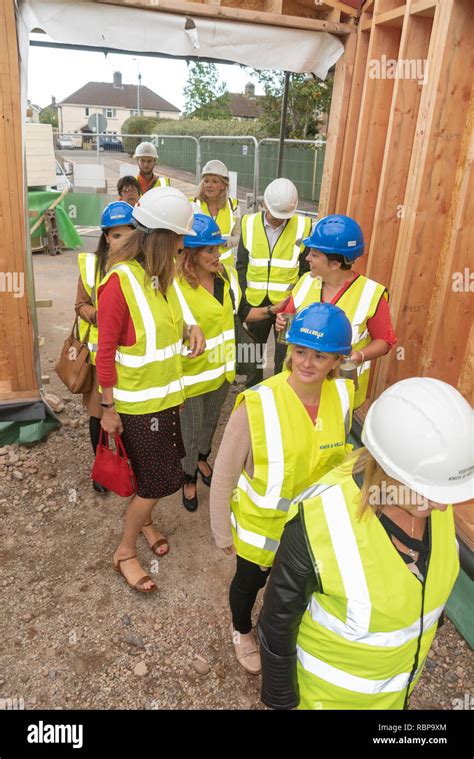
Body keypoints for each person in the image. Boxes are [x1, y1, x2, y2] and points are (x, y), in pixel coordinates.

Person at [257, 377, 473, 710]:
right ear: (388, 468)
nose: (443, 507)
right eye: (430, 492)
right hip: (326, 701)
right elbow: (276, 625)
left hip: (396, 693)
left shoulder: (433, 501)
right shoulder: (317, 526)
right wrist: (281, 701)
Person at [210, 302, 355, 674]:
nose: (306, 362)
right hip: (263, 531)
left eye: (319, 356)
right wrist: (221, 531)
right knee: (249, 583)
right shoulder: (256, 404)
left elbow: (338, 461)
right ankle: (242, 630)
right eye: (300, 350)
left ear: (336, 361)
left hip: (311, 529)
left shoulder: (341, 397)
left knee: (293, 588)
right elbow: (224, 474)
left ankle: (279, 629)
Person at [96, 187, 205, 594]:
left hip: (165, 400)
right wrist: (108, 408)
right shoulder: (119, 284)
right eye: (179, 242)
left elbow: (170, 319)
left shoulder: (160, 277)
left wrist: (190, 326)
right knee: (161, 480)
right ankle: (125, 550)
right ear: (162, 239)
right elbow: (103, 354)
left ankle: (145, 522)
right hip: (138, 407)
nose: (182, 250)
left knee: (151, 475)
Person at [175, 213, 290, 512]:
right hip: (189, 376)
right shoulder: (175, 288)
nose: (218, 254)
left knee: (211, 424)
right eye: (210, 249)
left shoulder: (224, 278)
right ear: (190, 253)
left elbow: (241, 315)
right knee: (190, 429)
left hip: (221, 372)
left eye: (218, 247)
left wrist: (270, 311)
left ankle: (202, 459)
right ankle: (188, 476)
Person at [276, 214, 397, 408]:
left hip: (339, 392)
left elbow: (385, 341)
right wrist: (280, 321)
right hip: (297, 385)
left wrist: (360, 356)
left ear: (335, 264)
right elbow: (287, 318)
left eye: (314, 254)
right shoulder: (306, 281)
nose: (307, 258)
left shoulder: (371, 294)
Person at [75, 201, 135, 494]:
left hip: (134, 359)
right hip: (102, 359)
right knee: (99, 416)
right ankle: (101, 468)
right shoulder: (91, 265)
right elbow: (80, 304)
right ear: (106, 237)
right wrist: (98, 316)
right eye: (115, 235)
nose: (121, 240)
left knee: (130, 417)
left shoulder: (141, 267)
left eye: (128, 234)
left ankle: (128, 464)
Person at [236, 178, 311, 387]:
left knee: (284, 356)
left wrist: (294, 302)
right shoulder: (249, 223)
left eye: (284, 216)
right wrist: (243, 300)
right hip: (255, 303)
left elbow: (306, 271)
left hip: (287, 307)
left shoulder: (303, 226)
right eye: (276, 214)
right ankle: (252, 390)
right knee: (252, 353)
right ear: (264, 204)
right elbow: (241, 265)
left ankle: (279, 393)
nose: (279, 220)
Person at [189, 160, 240, 265]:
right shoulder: (191, 205)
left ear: (223, 185)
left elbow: (238, 236)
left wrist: (227, 242)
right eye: (206, 181)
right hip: (199, 267)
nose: (209, 185)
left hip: (224, 268)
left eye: (214, 181)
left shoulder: (233, 207)